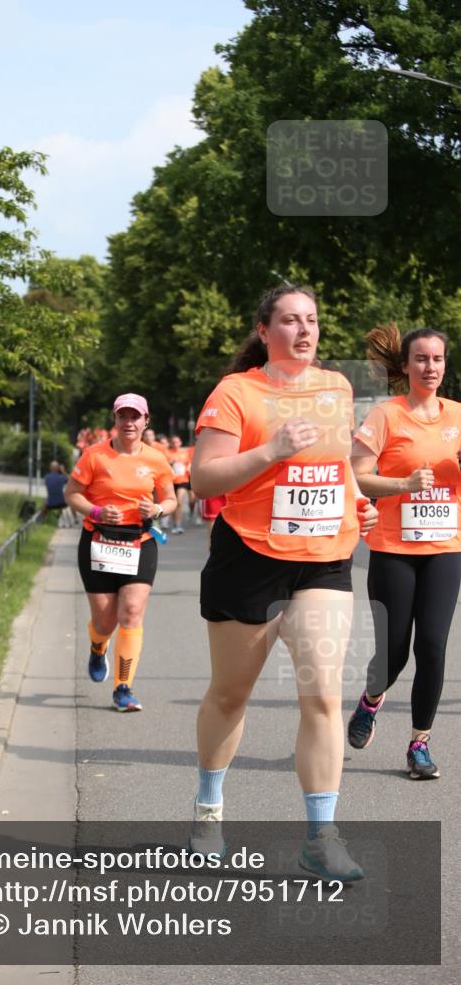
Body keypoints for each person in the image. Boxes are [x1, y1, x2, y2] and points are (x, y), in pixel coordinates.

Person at [190, 284, 378, 881]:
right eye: (291, 321)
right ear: (264, 329)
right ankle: (208, 814)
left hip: (324, 556)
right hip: (248, 553)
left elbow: (339, 465)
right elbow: (202, 478)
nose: (304, 330)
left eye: (313, 320)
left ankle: (321, 837)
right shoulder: (236, 392)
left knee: (323, 696)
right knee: (230, 694)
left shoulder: (336, 388)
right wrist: (271, 450)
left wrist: (357, 503)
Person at [347, 324, 461, 780]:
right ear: (406, 365)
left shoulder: (457, 415)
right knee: (393, 653)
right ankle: (370, 701)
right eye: (421, 359)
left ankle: (419, 745)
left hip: (445, 547)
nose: (429, 367)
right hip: (393, 547)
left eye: (437, 359)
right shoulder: (385, 416)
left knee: (432, 646)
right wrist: (403, 484)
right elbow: (358, 475)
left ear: (444, 364)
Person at [64, 393, 176, 711]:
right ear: (114, 420)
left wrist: (156, 508)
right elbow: (71, 493)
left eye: (135, 417)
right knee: (105, 620)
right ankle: (98, 647)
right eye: (123, 416)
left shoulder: (155, 458)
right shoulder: (93, 456)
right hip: (98, 541)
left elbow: (171, 500)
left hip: (139, 543)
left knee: (131, 613)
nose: (129, 422)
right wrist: (97, 511)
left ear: (145, 421)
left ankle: (123, 688)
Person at [166, 435, 193, 534]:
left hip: (183, 480)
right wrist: (171, 463)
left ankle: (179, 525)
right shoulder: (168, 453)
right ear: (170, 443)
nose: (175, 444)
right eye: (173, 442)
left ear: (180, 443)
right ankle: (175, 524)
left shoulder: (185, 453)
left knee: (179, 501)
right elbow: (164, 465)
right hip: (171, 481)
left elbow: (189, 464)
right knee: (174, 503)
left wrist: (189, 469)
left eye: (177, 442)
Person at [44, 460, 74, 526]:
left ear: (50, 468)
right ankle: (67, 519)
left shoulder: (47, 477)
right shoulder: (62, 477)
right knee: (68, 499)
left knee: (45, 501)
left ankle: (42, 521)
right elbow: (71, 481)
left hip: (50, 504)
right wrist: (63, 471)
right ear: (58, 468)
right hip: (62, 503)